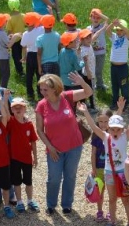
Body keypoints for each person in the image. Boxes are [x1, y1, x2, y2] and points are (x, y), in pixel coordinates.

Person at [35, 72, 93, 214]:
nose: (43, 93)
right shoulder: (41, 105)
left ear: (54, 88)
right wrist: (50, 148)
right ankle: (51, 204)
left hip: (74, 146)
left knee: (70, 176)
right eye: (41, 90)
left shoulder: (67, 96)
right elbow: (39, 130)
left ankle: (67, 204)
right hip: (55, 149)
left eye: (45, 90)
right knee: (54, 178)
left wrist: (82, 81)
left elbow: (88, 92)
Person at [81, 101, 129, 226]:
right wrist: (85, 112)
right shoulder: (105, 137)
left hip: (123, 173)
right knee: (112, 199)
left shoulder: (125, 136)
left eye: (118, 129)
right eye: (112, 128)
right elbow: (93, 127)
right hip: (109, 172)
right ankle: (112, 222)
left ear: (122, 129)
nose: (115, 131)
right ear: (108, 128)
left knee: (125, 199)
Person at [8, 97, 39, 212]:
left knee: (28, 181)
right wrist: (5, 98)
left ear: (25, 108)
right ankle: (19, 202)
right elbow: (5, 115)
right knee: (17, 182)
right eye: (15, 107)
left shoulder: (29, 124)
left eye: (20, 107)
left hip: (27, 158)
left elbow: (33, 142)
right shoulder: (11, 121)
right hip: (14, 158)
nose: (17, 109)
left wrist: (35, 157)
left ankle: (30, 200)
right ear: (11, 110)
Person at [106, 19, 129, 108]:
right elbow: (107, 31)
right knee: (115, 85)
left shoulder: (127, 38)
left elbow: (128, 32)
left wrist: (121, 25)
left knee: (124, 86)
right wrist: (113, 24)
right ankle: (115, 102)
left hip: (123, 68)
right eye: (117, 30)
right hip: (114, 67)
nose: (119, 32)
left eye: (121, 30)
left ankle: (125, 102)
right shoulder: (114, 36)